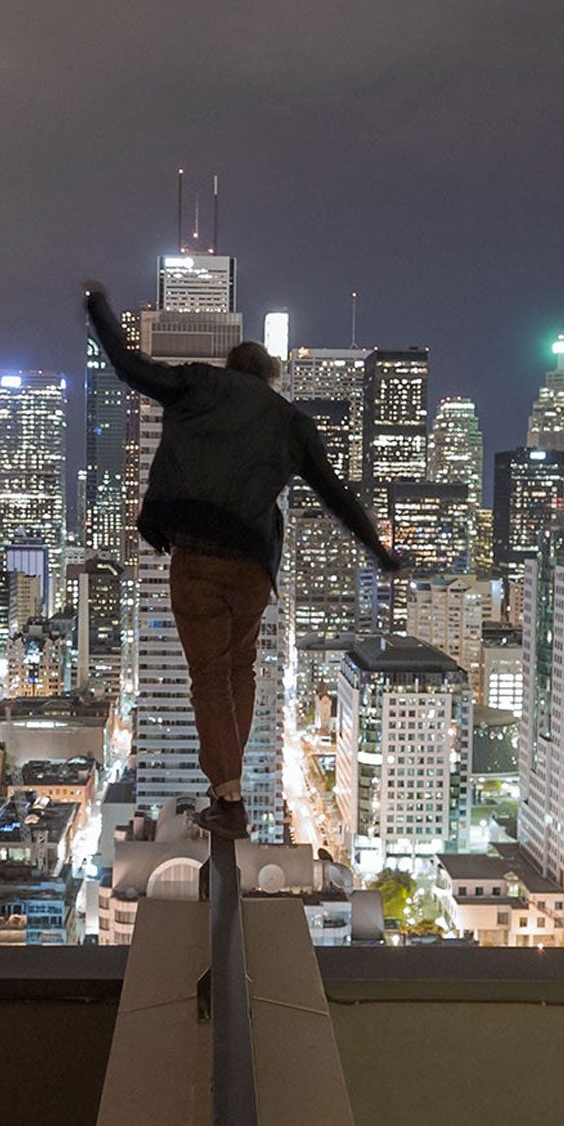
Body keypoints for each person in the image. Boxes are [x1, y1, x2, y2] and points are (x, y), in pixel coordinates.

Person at [83, 279, 405, 839]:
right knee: (239, 671)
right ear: (270, 378)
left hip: (200, 559)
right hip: (253, 569)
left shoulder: (198, 384)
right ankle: (227, 785)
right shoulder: (290, 422)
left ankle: (228, 799)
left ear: (231, 368)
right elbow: (337, 495)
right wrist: (378, 550)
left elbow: (127, 364)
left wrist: (98, 307)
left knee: (208, 677)